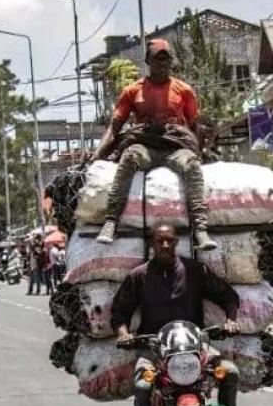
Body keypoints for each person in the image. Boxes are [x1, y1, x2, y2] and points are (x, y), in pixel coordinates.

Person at [110, 223, 240, 406]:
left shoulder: (195, 271)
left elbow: (228, 296)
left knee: (230, 372)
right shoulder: (139, 276)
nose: (165, 245)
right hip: (154, 349)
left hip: (194, 347)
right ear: (152, 244)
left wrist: (231, 320)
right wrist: (124, 334)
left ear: (176, 242)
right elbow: (119, 311)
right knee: (142, 385)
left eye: (170, 240)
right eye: (160, 241)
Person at [90, 39, 217, 251]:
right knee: (129, 156)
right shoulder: (133, 91)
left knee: (192, 164)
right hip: (145, 147)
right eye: (157, 59)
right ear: (148, 61)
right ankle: (111, 221)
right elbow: (115, 127)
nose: (162, 64)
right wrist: (97, 156)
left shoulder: (183, 90)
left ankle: (200, 229)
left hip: (175, 147)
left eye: (166, 59)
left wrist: (197, 150)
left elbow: (194, 125)